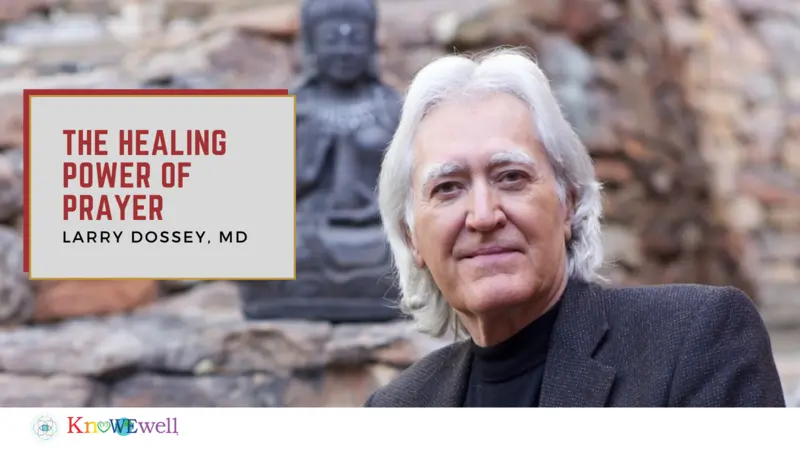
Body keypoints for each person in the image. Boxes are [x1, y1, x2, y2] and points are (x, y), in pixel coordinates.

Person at [366, 48, 785, 407]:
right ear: (411, 237)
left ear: (568, 202)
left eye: (510, 177)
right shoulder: (396, 408)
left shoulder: (695, 339)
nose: (483, 215)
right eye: (448, 187)